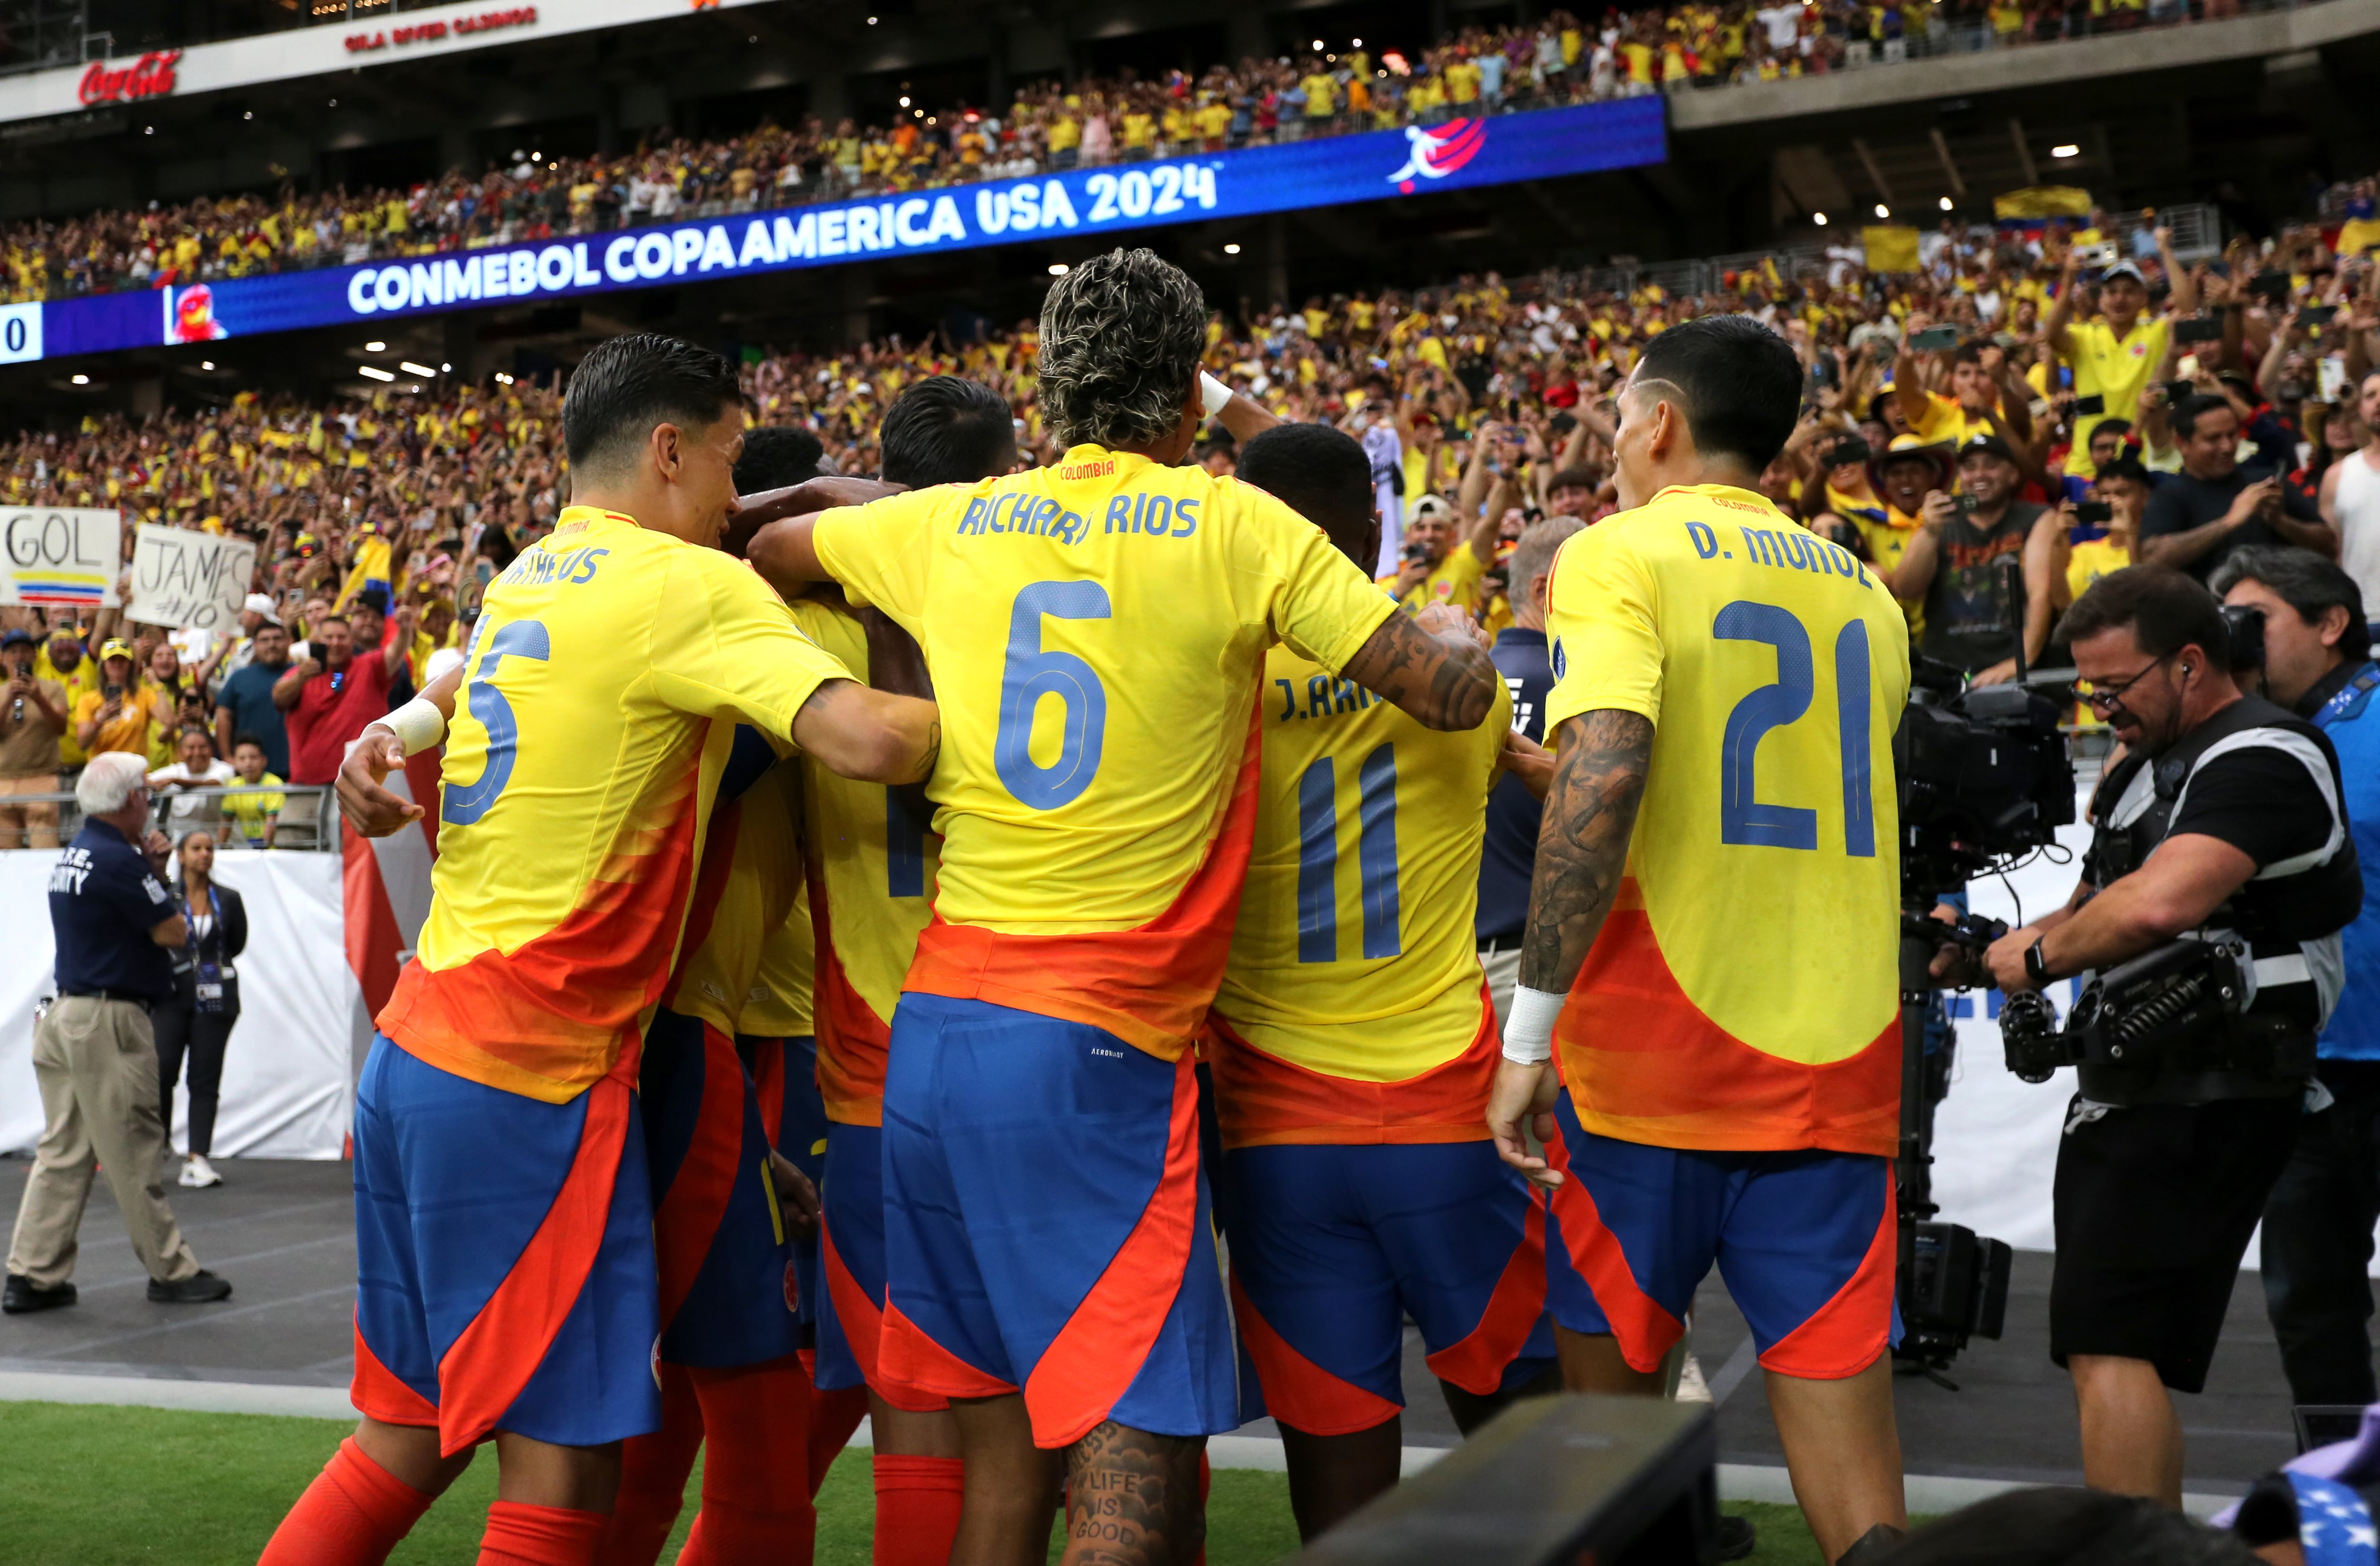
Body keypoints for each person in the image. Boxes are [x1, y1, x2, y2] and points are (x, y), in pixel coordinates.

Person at [742, 247, 1497, 1566]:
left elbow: (774, 543)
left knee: (996, 1470)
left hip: (936, 1039)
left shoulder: (942, 525)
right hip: (1096, 1046)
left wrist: (845, 490)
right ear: (1188, 397)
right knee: (1128, 1468)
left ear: (1048, 380)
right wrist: (1480, 665)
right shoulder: (1238, 523)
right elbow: (1444, 692)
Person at [262, 332, 941, 1566]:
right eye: (731, 464)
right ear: (672, 451)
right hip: (550, 1066)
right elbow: (872, 745)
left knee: (409, 1438)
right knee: (568, 1466)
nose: (738, 502)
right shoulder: (692, 589)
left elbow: (458, 692)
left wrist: (391, 734)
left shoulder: (524, 576)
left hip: (425, 1049)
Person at [1487, 313, 1914, 1566]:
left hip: (1654, 1052)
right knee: (1860, 1488)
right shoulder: (1870, 593)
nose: (1615, 440)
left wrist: (1530, 1028)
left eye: (1619, 413)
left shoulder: (1618, 553)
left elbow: (1608, 775)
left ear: (1658, 420)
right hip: (1841, 1052)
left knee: (1606, 1469)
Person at [1206, 420, 1558, 1541]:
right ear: (1369, 530)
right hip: (1444, 1113)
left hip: (1272, 1132)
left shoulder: (1212, 692)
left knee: (1338, 1471)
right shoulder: (1463, 681)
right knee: (1532, 1440)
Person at [1954, 566, 2360, 1507]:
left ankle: (2137, 1547)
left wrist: (2036, 954)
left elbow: (2163, 901)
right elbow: (2100, 902)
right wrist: (1979, 951)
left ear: (2188, 664)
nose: (2100, 712)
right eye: (2087, 692)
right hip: (2156, 1076)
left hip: (2214, 1079)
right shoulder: (2144, 771)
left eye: (2114, 688)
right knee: (2113, 1342)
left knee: (2110, 1341)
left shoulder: (2265, 751)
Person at [783, 375, 1017, 1566]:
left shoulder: (810, 635)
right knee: (1068, 1393)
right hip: (1039, 1047)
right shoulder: (1045, 616)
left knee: (913, 1404)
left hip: (876, 1085)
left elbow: (722, 547)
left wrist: (828, 500)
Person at [2207, 549, 2380, 1409]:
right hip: (2309, 1075)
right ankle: (2348, 1519)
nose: (2231, 641)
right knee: (2311, 1308)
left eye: (2252, 619)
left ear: (2331, 623)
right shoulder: (2236, 739)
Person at [2, 751, 234, 1315]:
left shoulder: (78, 853)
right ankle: (171, 1270)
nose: (150, 806)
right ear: (130, 800)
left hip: (68, 1015)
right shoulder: (116, 861)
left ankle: (32, 1272)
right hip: (109, 1018)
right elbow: (175, 931)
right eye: (147, 797)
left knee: (65, 1150)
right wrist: (156, 872)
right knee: (133, 1147)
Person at [1477, 517, 1582, 1028]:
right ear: (1546, 588)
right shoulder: (1576, 686)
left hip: (1461, 970)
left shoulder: (1464, 681)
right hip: (1542, 973)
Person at [1884, 434, 2066, 682]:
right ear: (1960, 477)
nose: (1980, 474)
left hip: (2015, 668)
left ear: (2013, 474)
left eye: (1991, 465)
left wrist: (2020, 662)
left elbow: (2040, 594)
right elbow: (1906, 589)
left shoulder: (2038, 518)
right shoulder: (1940, 521)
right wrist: (1929, 532)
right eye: (1970, 467)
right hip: (1947, 670)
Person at [2138, 394, 2335, 584]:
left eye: (2233, 435)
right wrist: (2228, 522)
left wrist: (2280, 521)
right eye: (2213, 439)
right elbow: (2152, 559)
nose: (2227, 447)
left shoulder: (2264, 483)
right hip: (2206, 614)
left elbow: (2329, 545)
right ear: (2182, 444)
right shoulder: (2170, 495)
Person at [153, 830, 247, 1191]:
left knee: (205, 1077)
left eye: (210, 848)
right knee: (162, 1072)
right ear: (180, 854)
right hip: (171, 994)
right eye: (197, 848)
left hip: (215, 994)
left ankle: (197, 1157)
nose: (205, 855)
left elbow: (235, 944)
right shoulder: (165, 898)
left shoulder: (228, 898)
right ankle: (159, 1142)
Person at [271, 609, 408, 788]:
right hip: (307, 785)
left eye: (341, 637)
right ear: (318, 641)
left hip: (361, 783)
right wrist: (300, 678)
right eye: (329, 637)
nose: (335, 643)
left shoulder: (369, 667)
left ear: (352, 640)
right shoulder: (302, 672)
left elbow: (395, 653)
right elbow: (278, 698)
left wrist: (405, 630)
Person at [0, 627, 69, 849]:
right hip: (3, 782)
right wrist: (9, 699)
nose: (19, 657)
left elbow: (61, 727)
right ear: (3, 658)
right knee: (4, 860)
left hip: (42, 781)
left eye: (24, 651)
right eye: (12, 652)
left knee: (45, 851)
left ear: (34, 655)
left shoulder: (52, 688)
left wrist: (38, 698)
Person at [1383, 491, 1501, 616]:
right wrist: (1398, 593)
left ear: (1452, 535)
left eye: (1438, 528)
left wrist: (1505, 478)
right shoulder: (1391, 580)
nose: (1429, 535)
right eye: (1421, 528)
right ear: (1408, 536)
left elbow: (1491, 523)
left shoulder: (1464, 562)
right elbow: (1371, 628)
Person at [2322, 368, 2380, 617]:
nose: (2379, 401)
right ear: (2360, 409)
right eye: (2370, 396)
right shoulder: (2337, 476)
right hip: (2361, 615)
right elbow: (2330, 552)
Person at [216, 619, 293, 782]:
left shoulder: (300, 674)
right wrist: (228, 757)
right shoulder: (239, 678)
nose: (272, 645)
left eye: (277, 639)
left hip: (293, 771)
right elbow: (223, 715)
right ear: (255, 645)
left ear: (288, 642)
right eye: (264, 640)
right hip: (249, 773)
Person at [73, 638, 167, 762]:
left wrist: (156, 684)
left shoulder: (144, 694)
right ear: (103, 665)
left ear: (130, 664)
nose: (117, 664)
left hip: (134, 770)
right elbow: (82, 744)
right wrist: (100, 719)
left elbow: (167, 720)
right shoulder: (88, 700)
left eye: (123, 660)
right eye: (112, 660)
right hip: (103, 771)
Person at [149, 726, 235, 843]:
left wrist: (174, 781)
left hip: (218, 841)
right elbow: (145, 781)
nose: (197, 753)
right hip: (180, 843)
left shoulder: (224, 769)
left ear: (212, 750)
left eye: (203, 747)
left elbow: (214, 784)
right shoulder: (175, 770)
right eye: (191, 748)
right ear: (180, 752)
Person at [219, 737, 285, 850]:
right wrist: (218, 849)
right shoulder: (233, 786)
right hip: (249, 847)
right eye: (242, 759)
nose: (248, 764)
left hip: (272, 848)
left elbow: (272, 823)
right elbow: (226, 823)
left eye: (253, 758)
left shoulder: (274, 784)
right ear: (235, 762)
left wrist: (262, 851)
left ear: (264, 761)